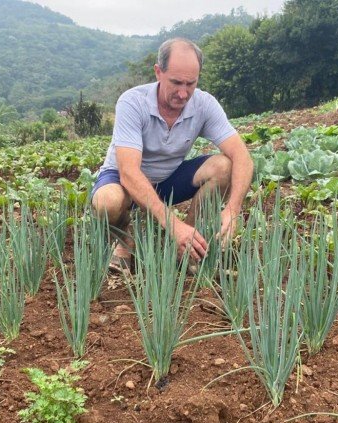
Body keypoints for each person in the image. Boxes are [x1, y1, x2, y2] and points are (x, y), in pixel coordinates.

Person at [91, 37, 253, 271]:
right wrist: (172, 224)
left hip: (167, 179)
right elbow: (128, 173)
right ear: (158, 72)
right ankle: (123, 241)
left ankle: (187, 244)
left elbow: (243, 157)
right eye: (176, 82)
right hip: (124, 182)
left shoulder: (204, 105)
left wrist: (233, 210)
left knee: (224, 166)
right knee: (108, 202)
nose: (183, 93)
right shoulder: (133, 103)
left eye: (191, 84)